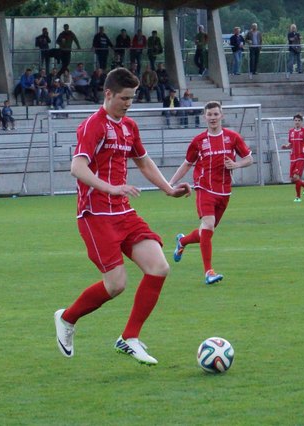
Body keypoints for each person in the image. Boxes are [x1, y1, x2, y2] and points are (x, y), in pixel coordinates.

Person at [53, 67, 191, 366]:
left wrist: (168, 189)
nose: (128, 104)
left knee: (159, 267)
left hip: (123, 212)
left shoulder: (129, 126)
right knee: (116, 285)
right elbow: (77, 168)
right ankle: (67, 318)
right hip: (95, 215)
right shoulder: (93, 126)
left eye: (132, 98)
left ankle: (129, 338)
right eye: (124, 98)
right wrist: (111, 188)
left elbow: (143, 162)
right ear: (108, 94)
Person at [169, 101, 253, 285]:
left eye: (216, 114)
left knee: (206, 232)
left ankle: (182, 242)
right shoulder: (198, 141)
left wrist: (236, 164)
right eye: (210, 115)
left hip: (224, 191)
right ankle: (209, 272)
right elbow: (187, 164)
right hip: (204, 188)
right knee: (208, 225)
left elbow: (249, 158)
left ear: (221, 115)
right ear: (204, 117)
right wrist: (170, 183)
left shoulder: (233, 137)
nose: (213, 118)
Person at [281, 113, 304, 202]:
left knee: (296, 177)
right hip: (293, 156)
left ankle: (298, 197)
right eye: (295, 120)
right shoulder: (291, 132)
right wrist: (286, 146)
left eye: (299, 121)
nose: (297, 122)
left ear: (302, 122)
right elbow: (291, 144)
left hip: (301, 156)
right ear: (293, 121)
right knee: (292, 179)